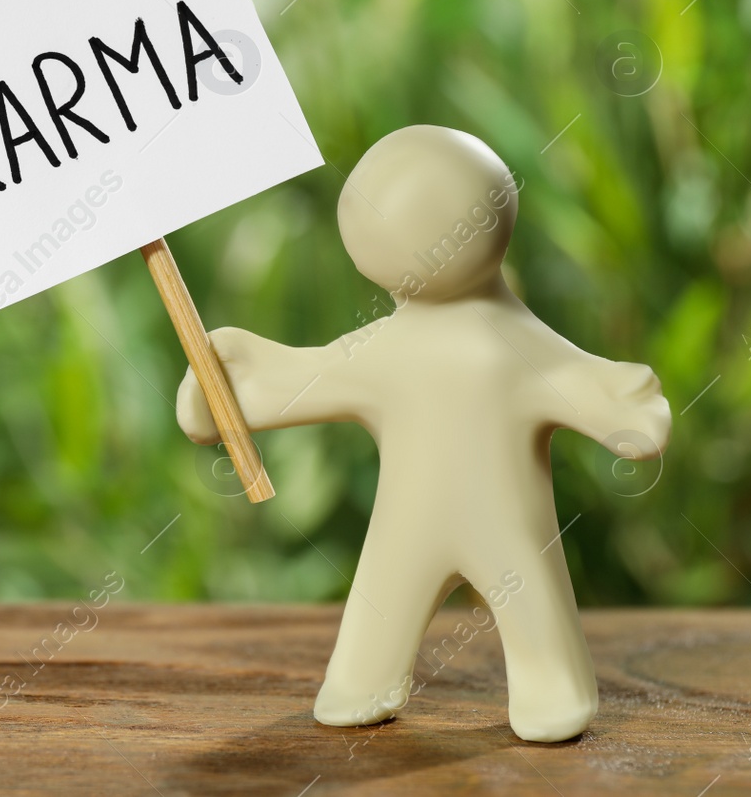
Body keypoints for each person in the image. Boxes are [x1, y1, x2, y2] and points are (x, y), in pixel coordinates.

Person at [176, 124, 670, 742]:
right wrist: (228, 390)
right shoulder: (394, 348)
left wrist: (623, 409)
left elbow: (580, 379)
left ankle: (550, 690)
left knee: (525, 599)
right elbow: (310, 377)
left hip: (497, 526)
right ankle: (369, 683)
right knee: (387, 605)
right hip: (411, 528)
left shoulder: (504, 343)